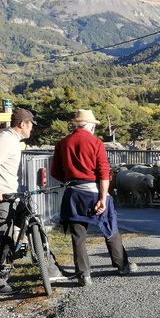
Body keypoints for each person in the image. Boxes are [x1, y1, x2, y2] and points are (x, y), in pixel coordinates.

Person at [50, 108, 136, 286]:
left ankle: (83, 275)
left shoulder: (62, 143)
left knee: (78, 236)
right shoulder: (96, 143)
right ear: (91, 126)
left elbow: (55, 172)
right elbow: (104, 172)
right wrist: (103, 198)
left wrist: (70, 180)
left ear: (76, 125)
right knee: (110, 228)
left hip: (73, 194)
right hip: (95, 192)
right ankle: (122, 265)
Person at [0, 107, 37, 294]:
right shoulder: (4, 139)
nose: (32, 128)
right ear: (22, 124)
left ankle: (46, 266)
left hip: (12, 195)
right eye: (30, 125)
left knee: (31, 222)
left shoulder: (13, 141)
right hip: (1, 197)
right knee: (1, 238)